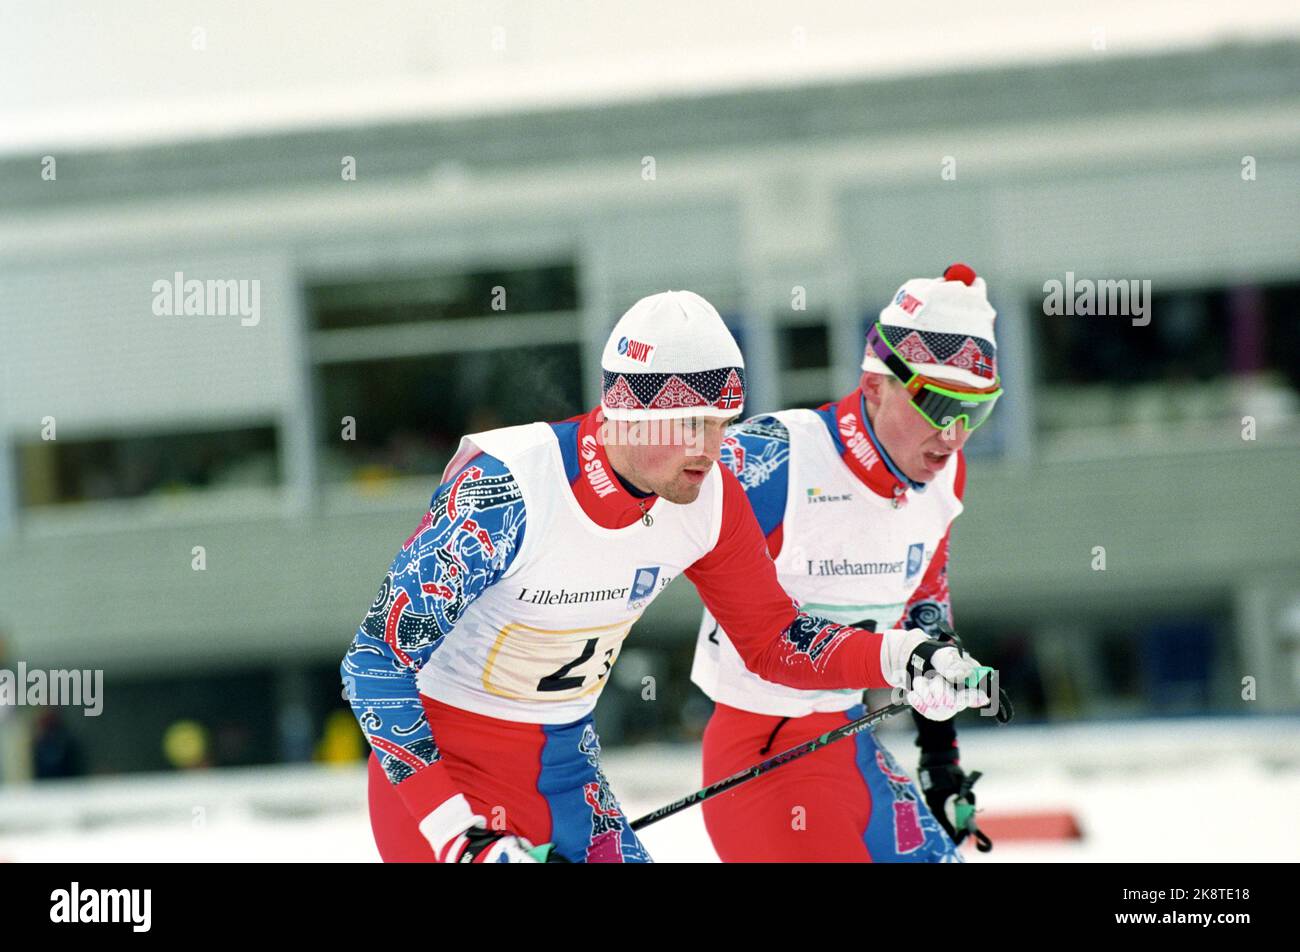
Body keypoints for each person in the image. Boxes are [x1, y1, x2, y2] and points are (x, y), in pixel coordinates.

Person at [341, 289, 988, 863]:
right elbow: (374, 660)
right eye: (690, 424)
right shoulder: (509, 489)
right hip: (442, 778)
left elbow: (775, 640)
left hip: (565, 768)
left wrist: (904, 656)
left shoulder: (707, 498)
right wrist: (459, 834)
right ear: (626, 412)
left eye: (721, 423)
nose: (710, 448)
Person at [691, 263, 1002, 862]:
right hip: (760, 755)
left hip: (851, 742)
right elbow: (637, 545)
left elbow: (925, 614)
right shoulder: (772, 459)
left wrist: (940, 761)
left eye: (978, 412)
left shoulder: (942, 472)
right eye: (939, 404)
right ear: (876, 382)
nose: (956, 434)